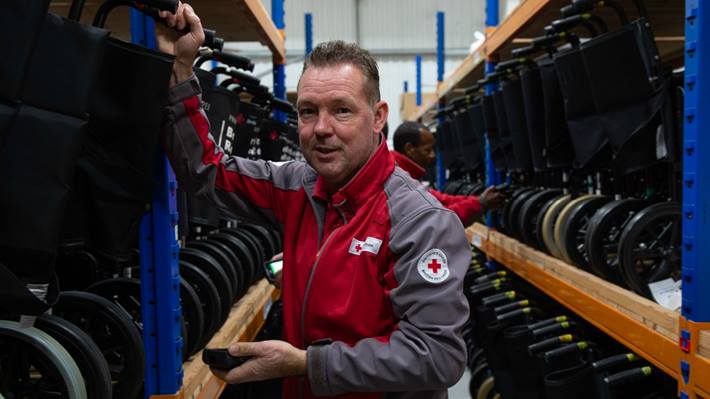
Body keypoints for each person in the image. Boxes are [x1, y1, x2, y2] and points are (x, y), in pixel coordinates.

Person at [157, 4, 470, 398]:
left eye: (341, 111)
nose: (321, 129)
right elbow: (207, 170)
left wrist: (307, 364)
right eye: (308, 112)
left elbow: (436, 355)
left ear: (378, 118)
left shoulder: (420, 221)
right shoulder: (298, 185)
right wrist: (181, 69)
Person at [392, 121, 505, 226]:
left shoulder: (406, 176)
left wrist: (478, 199)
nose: (433, 155)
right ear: (409, 149)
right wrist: (481, 203)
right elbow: (438, 221)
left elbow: (441, 200)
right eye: (427, 150)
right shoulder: (399, 183)